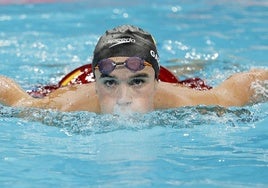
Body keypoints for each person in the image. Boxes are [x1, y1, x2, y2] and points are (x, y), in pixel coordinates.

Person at [0, 25, 267, 114]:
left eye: (138, 82)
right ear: (96, 83)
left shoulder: (187, 100)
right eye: (110, 83)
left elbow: (249, 82)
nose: (124, 98)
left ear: (155, 82)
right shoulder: (64, 105)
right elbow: (12, 95)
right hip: (75, 79)